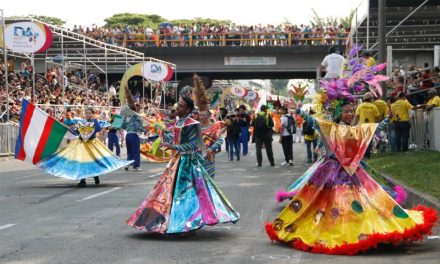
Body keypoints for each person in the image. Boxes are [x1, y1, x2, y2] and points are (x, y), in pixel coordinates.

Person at [266, 47, 437, 255]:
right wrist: (299, 108)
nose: (349, 114)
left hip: (355, 173)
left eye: (351, 111)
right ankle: (335, 231)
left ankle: (362, 229)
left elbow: (370, 131)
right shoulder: (331, 127)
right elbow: (312, 121)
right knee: (325, 204)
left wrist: (384, 121)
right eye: (346, 111)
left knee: (363, 202)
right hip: (331, 173)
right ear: (339, 112)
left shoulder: (354, 129)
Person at [127, 96, 239, 234]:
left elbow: (194, 144)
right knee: (170, 192)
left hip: (188, 162)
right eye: (177, 105)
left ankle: (188, 224)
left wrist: (174, 146)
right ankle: (173, 222)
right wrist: (161, 132)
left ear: (188, 109)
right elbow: (175, 140)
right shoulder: (179, 121)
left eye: (180, 106)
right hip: (177, 160)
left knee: (187, 194)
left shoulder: (192, 124)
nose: (177, 108)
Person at [37, 108, 133, 186]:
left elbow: (98, 129)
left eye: (89, 113)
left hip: (93, 144)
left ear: (93, 114)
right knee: (82, 162)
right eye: (86, 113)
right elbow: (77, 132)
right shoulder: (81, 123)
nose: (87, 115)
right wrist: (69, 129)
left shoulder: (95, 122)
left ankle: (96, 178)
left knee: (95, 161)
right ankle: (82, 180)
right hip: (81, 145)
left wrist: (95, 120)